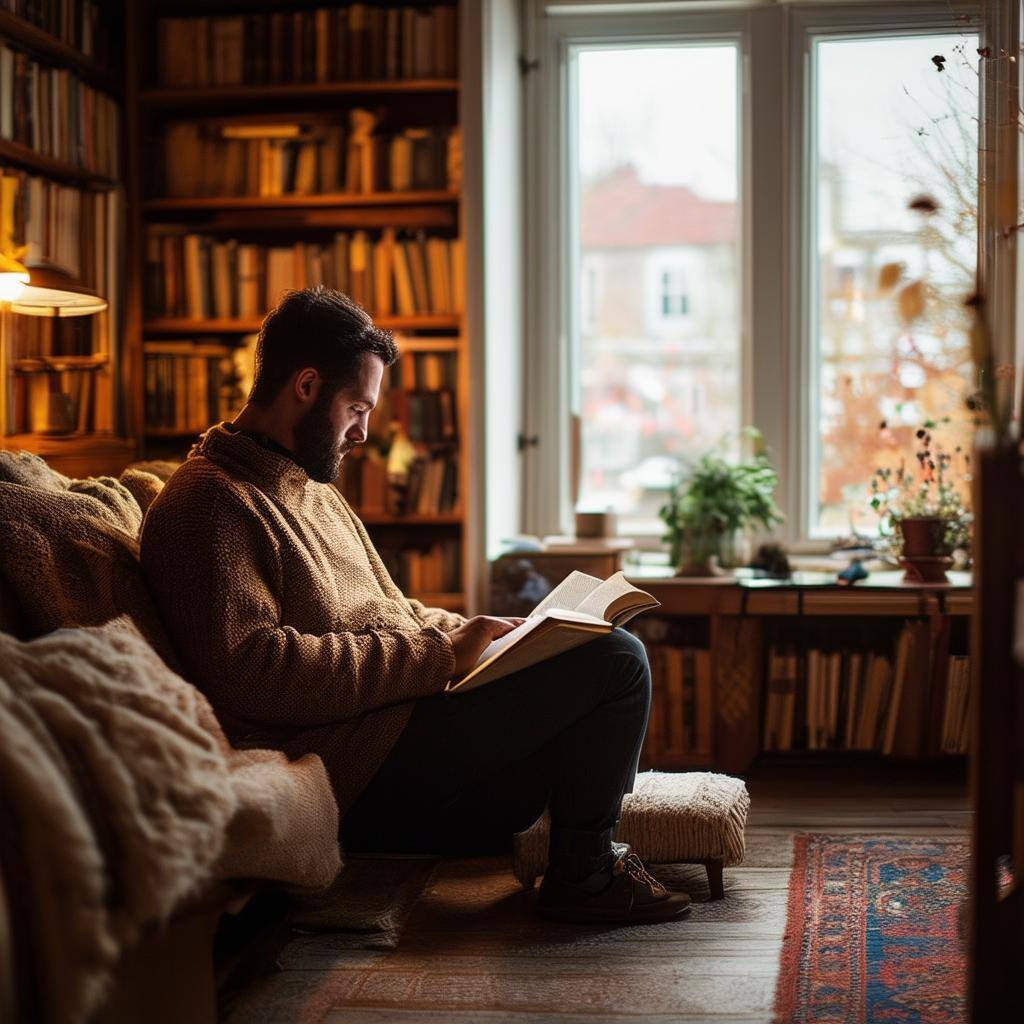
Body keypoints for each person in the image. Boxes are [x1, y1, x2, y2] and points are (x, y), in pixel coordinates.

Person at [140, 286, 689, 924]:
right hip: (353, 767)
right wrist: (435, 656)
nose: (364, 431)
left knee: (585, 661)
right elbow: (255, 675)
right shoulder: (209, 504)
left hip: (396, 729)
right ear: (307, 385)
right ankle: (585, 873)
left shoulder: (306, 483)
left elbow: (390, 608)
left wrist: (486, 637)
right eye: (356, 407)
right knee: (617, 661)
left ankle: (582, 852)